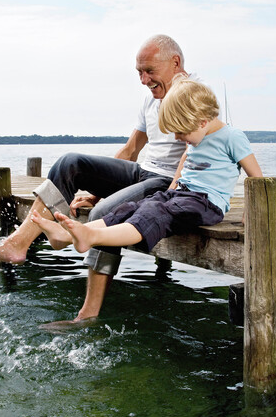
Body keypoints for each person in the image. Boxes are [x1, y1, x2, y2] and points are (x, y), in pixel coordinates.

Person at [0, 35, 197, 322]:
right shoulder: (151, 100)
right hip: (142, 172)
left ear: (175, 62)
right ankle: (20, 242)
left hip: (166, 182)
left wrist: (170, 192)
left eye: (149, 71)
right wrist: (99, 188)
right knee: (69, 163)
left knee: (104, 213)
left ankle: (87, 313)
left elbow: (194, 153)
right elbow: (130, 150)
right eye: (139, 72)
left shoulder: (194, 95)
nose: (143, 79)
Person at [29, 79, 262, 300]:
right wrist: (170, 190)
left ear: (202, 121)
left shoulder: (232, 137)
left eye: (181, 133)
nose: (179, 138)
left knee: (156, 213)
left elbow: (257, 177)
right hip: (181, 194)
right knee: (135, 206)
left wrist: (251, 212)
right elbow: (184, 163)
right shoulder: (197, 137)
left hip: (206, 202)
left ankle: (91, 235)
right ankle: (68, 235)